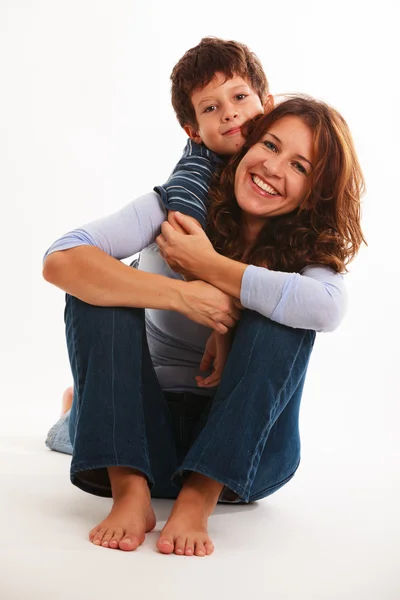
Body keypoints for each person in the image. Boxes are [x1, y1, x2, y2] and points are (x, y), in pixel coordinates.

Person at [43, 95, 366, 557]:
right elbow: (62, 260)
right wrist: (183, 294)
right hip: (137, 434)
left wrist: (210, 267)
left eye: (300, 166)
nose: (274, 168)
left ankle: (199, 496)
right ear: (246, 143)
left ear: (317, 191)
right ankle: (128, 488)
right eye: (270, 145)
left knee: (286, 314)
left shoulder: (311, 248)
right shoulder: (177, 206)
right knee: (99, 284)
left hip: (246, 458)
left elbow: (326, 309)